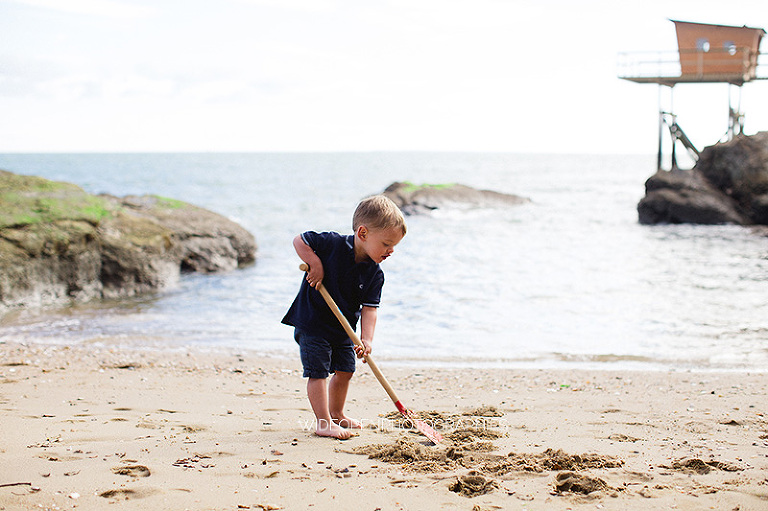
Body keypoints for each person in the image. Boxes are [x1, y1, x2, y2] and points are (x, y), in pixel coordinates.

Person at [282, 195, 406, 439]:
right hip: (313, 322)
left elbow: (370, 309)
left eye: (394, 246)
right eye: (386, 244)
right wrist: (314, 262)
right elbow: (299, 240)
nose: (391, 251)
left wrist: (366, 339)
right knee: (318, 371)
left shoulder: (375, 274)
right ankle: (324, 423)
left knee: (346, 370)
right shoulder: (331, 244)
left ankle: (337, 414)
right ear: (363, 233)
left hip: (343, 328)